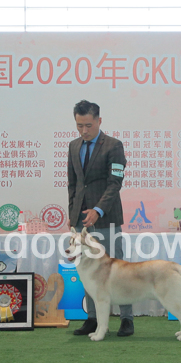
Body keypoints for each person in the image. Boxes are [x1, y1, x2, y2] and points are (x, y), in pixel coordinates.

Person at [67, 100, 133, 337]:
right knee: (87, 270)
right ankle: (93, 319)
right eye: (79, 126)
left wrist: (98, 209)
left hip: (107, 219)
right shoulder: (73, 146)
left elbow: (115, 183)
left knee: (119, 271)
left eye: (88, 125)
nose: (84, 131)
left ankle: (126, 319)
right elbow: (73, 184)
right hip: (80, 222)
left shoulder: (114, 146)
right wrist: (72, 214)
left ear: (99, 121)